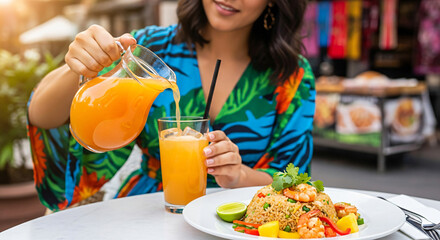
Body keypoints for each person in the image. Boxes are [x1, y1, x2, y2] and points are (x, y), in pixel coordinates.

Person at [28, 0, 314, 211]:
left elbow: (293, 180)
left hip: (238, 216)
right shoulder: (151, 48)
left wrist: (239, 175)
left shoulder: (291, 75)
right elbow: (42, 115)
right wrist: (76, 68)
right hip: (147, 209)